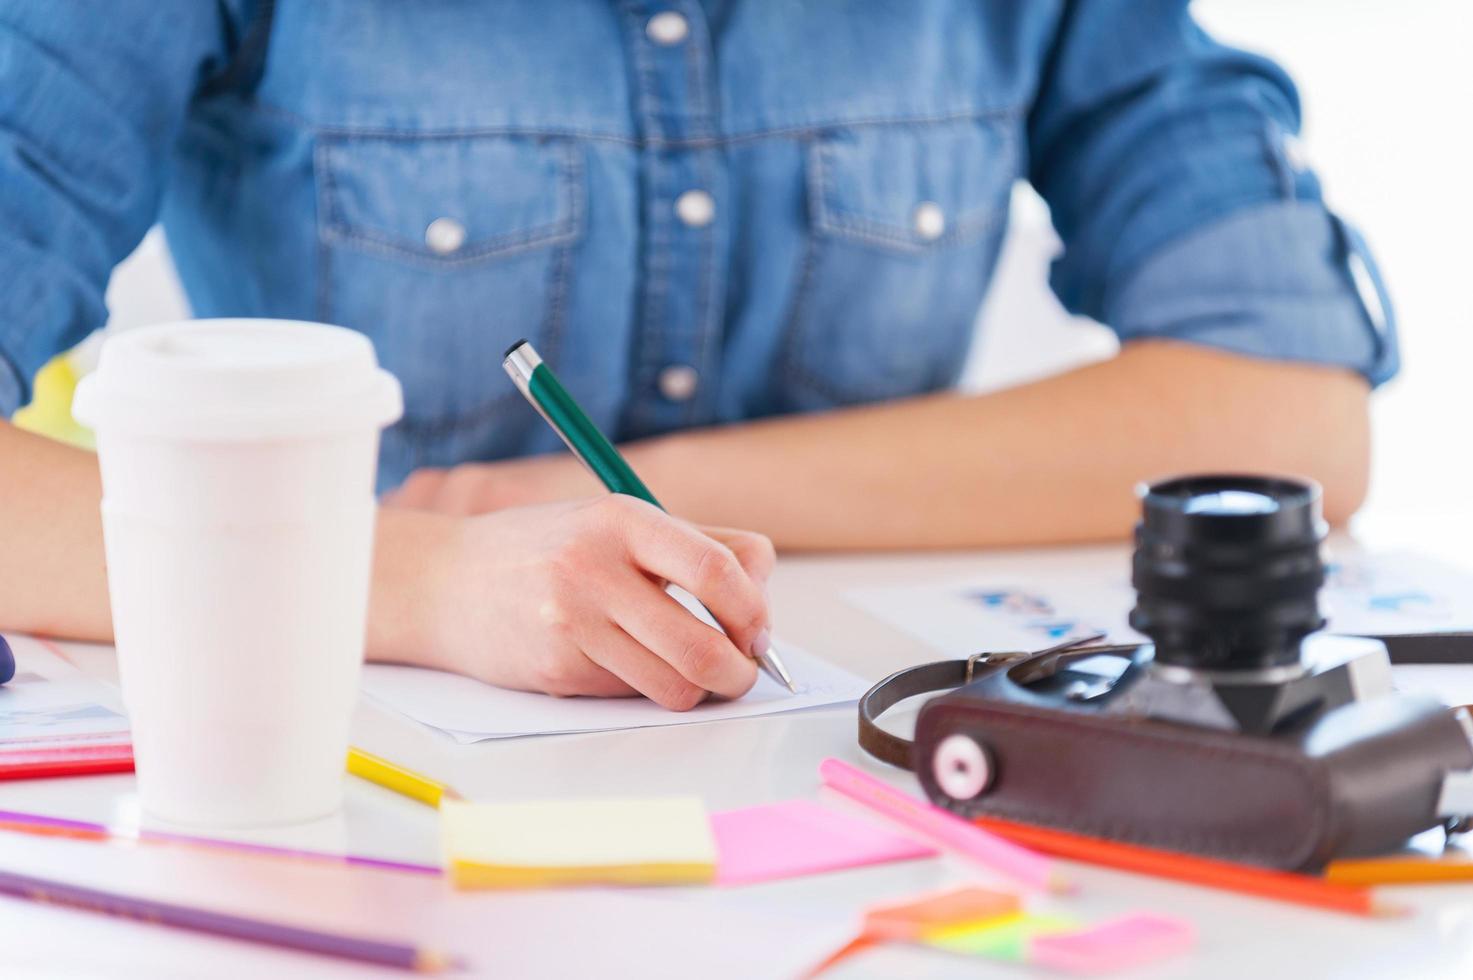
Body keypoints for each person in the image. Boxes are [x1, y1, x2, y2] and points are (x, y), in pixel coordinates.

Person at [0, 2, 1394, 707]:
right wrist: (426, 579)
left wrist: (646, 497)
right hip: (372, 809)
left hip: (853, 804)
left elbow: (1292, 422)